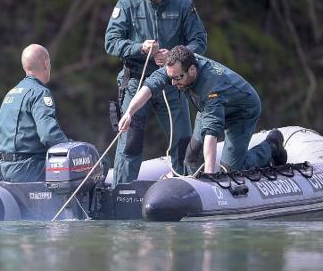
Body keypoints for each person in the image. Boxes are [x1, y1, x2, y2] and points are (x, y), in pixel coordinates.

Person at [105, 0, 207, 185]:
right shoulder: (127, 4)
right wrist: (139, 48)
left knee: (182, 141)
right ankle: (121, 191)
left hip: (173, 83)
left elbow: (200, 40)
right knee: (129, 141)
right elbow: (110, 43)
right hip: (135, 82)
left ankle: (186, 186)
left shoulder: (183, 5)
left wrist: (176, 56)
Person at [118, 45, 287, 175]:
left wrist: (210, 177)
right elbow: (150, 86)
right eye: (171, 78)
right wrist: (129, 113)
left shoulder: (212, 86)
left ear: (192, 69)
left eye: (178, 78)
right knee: (190, 159)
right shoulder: (177, 67)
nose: (174, 84)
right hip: (206, 107)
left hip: (241, 112)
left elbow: (211, 135)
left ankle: (272, 146)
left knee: (233, 169)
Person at [0, 44, 70, 182]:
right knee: (87, 166)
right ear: (46, 64)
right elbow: (49, 134)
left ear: (25, 67)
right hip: (30, 168)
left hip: (7, 167)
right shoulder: (39, 92)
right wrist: (71, 150)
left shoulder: (11, 93)